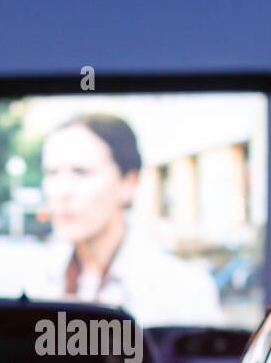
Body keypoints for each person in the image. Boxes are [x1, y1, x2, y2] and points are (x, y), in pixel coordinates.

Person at [33, 114, 223, 327]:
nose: (61, 191)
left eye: (81, 172)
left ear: (128, 183)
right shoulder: (32, 282)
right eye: (51, 173)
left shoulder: (183, 290)